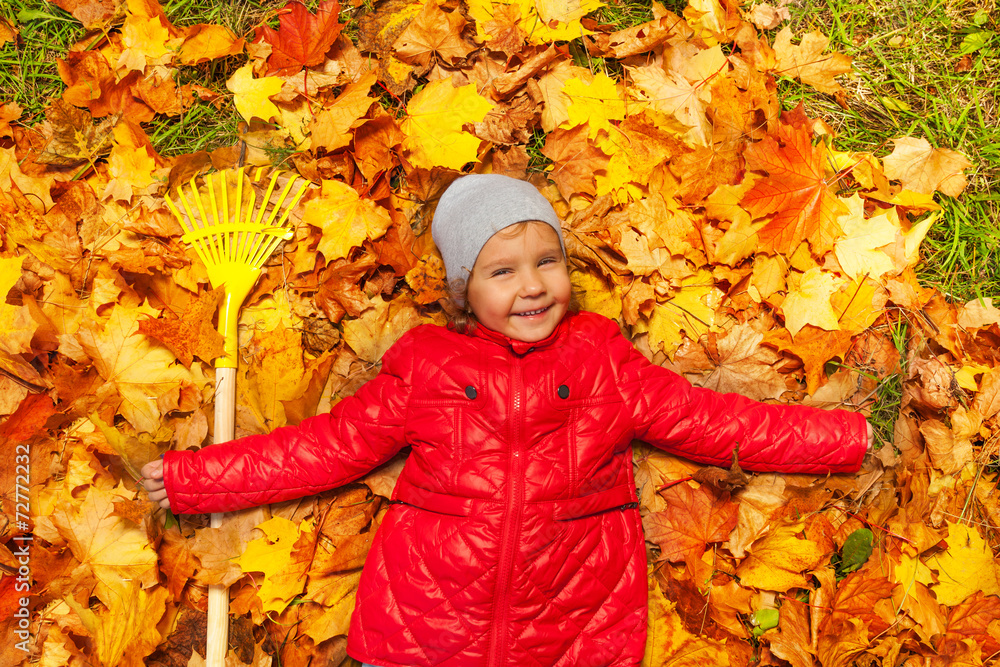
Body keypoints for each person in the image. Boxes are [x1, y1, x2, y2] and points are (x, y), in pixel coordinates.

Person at [142, 174, 873, 667]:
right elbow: (327, 447)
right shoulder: (426, 367)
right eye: (503, 270)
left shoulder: (603, 362)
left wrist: (844, 439)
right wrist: (194, 479)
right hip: (424, 625)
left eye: (546, 262)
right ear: (464, 288)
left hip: (573, 625)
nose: (532, 285)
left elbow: (718, 423)